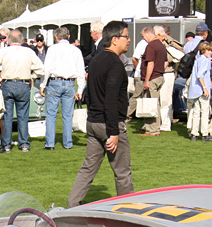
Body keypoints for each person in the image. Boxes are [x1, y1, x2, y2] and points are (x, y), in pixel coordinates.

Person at [68, 21, 135, 207]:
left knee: (88, 168)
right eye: (126, 36)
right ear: (115, 40)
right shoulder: (114, 64)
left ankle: (72, 206)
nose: (129, 40)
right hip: (109, 124)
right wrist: (113, 132)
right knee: (122, 172)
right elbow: (111, 99)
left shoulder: (96, 60)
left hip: (93, 122)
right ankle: (129, 211)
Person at [0, 29, 44, 153]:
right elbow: (40, 69)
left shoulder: (4, 51)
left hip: (8, 83)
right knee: (23, 115)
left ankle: (6, 145)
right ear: (21, 40)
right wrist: (31, 76)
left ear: (9, 40)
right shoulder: (28, 52)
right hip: (23, 84)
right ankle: (24, 143)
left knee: (7, 115)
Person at [40, 27, 85, 149]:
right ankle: (68, 143)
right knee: (67, 115)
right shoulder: (75, 50)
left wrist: (43, 84)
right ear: (69, 36)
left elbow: (47, 68)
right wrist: (80, 89)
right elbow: (81, 70)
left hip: (55, 81)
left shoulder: (52, 49)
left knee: (51, 114)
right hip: (70, 83)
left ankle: (50, 143)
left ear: (56, 37)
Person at [126, 27, 167, 136]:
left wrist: (147, 80)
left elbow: (150, 63)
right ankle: (156, 128)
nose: (144, 39)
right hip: (159, 76)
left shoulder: (151, 46)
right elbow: (165, 62)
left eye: (144, 36)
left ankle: (151, 130)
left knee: (149, 103)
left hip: (152, 78)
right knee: (155, 103)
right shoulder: (161, 45)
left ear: (149, 34)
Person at [186, 40, 212, 141]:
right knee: (204, 112)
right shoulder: (204, 60)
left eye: (211, 51)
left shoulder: (199, 59)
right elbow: (200, 75)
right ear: (203, 51)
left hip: (195, 90)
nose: (210, 52)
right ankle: (205, 134)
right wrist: (205, 88)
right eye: (208, 50)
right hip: (202, 90)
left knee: (196, 112)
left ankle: (194, 133)